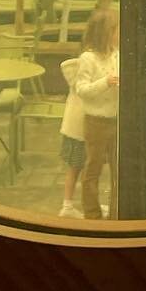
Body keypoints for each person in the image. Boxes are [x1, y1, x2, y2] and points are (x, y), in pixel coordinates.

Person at [72, 8, 119, 220]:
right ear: (105, 33)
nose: (119, 34)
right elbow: (81, 90)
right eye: (116, 30)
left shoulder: (117, 54)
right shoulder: (88, 58)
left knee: (120, 171)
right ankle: (92, 215)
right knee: (93, 170)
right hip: (96, 122)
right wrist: (105, 83)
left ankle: (118, 212)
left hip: (117, 120)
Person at [56, 53, 86, 218]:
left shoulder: (79, 68)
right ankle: (67, 205)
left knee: (76, 168)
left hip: (75, 128)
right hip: (78, 129)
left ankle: (70, 204)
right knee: (76, 168)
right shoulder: (83, 67)